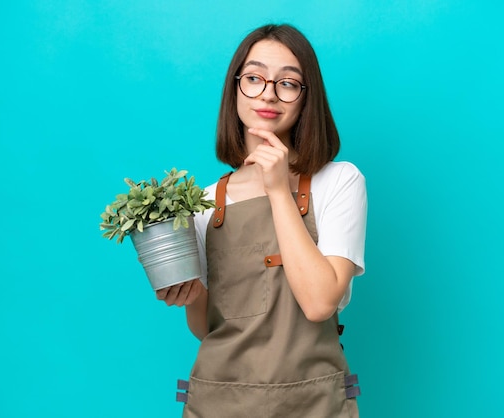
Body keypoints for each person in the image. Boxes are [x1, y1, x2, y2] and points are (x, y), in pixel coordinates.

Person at [156, 23, 367, 418]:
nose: (268, 93)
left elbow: (321, 302)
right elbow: (208, 329)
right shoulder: (204, 202)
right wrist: (191, 294)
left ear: (307, 99)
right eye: (253, 78)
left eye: (288, 83)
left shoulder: (339, 181)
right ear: (235, 88)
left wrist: (276, 190)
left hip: (314, 404)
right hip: (218, 402)